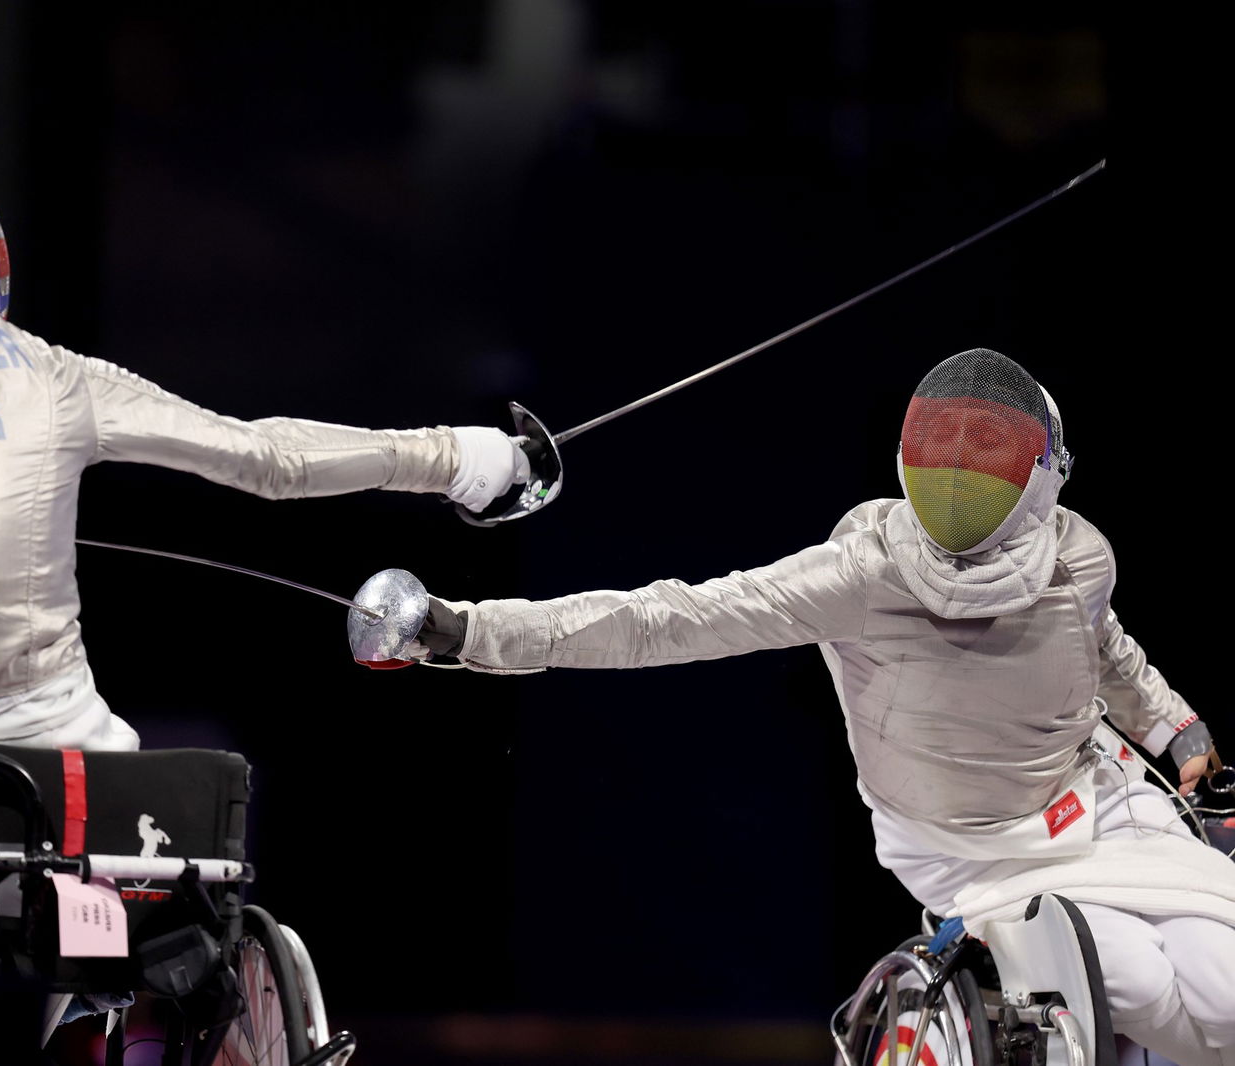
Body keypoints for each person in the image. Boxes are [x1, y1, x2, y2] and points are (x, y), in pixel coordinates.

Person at [0, 167, 538, 884]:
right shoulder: (46, 372)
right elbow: (267, 460)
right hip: (79, 795)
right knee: (169, 919)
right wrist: (459, 456)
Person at [399, 348, 1235, 1064]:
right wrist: (470, 630)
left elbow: (1106, 649)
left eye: (987, 451)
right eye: (948, 448)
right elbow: (665, 617)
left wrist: (1176, 728)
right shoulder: (863, 572)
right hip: (967, 850)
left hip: (1103, 805)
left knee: (1225, 996)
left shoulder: (1077, 557)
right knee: (1132, 984)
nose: (960, 472)